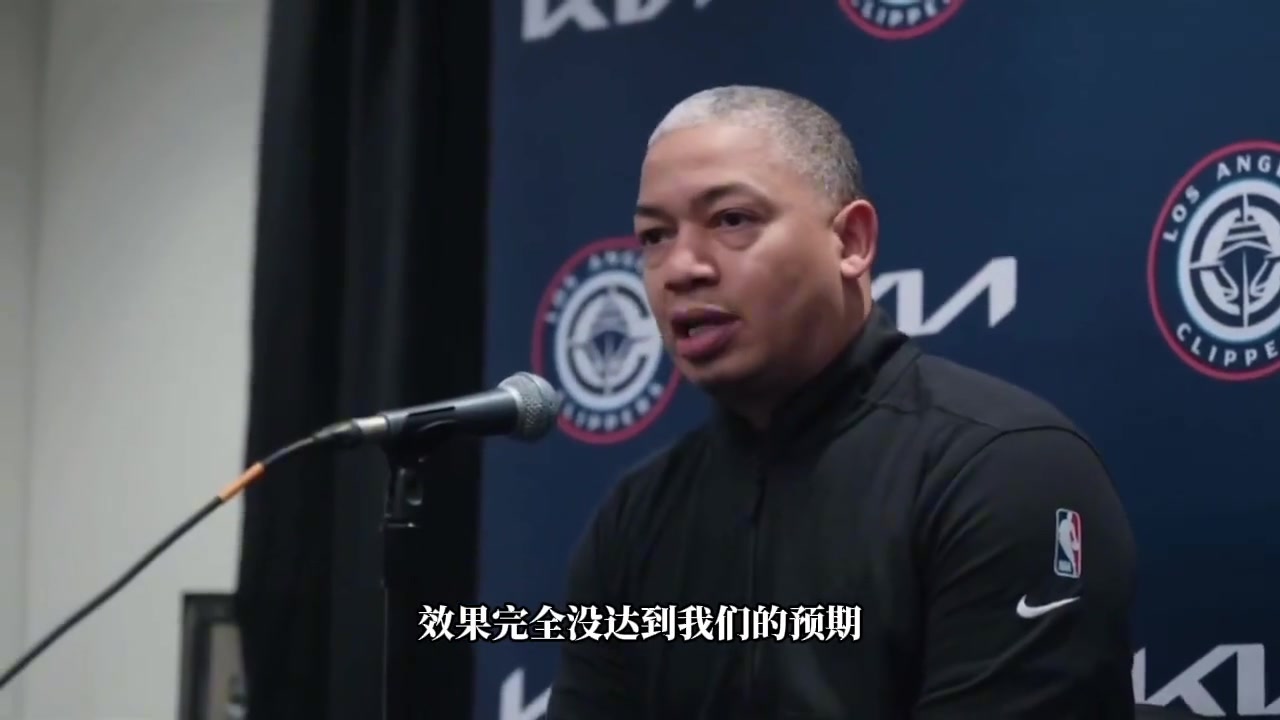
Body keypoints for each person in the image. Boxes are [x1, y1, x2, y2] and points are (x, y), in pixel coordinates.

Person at [544, 85, 1137, 719]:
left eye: (732, 220)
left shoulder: (1004, 468)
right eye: (655, 236)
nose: (681, 268)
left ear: (851, 242)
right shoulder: (636, 515)